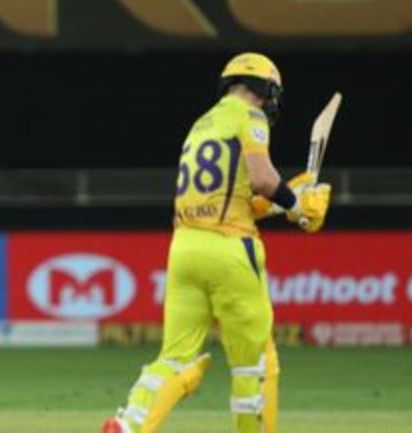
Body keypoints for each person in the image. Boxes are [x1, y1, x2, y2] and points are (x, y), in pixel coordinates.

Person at [101, 52, 331, 433]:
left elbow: (232, 200)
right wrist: (298, 209)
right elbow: (262, 179)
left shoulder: (201, 125)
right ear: (266, 90)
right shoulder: (250, 116)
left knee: (173, 358)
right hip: (231, 252)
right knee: (254, 365)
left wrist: (287, 200)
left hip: (185, 249)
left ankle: (127, 424)